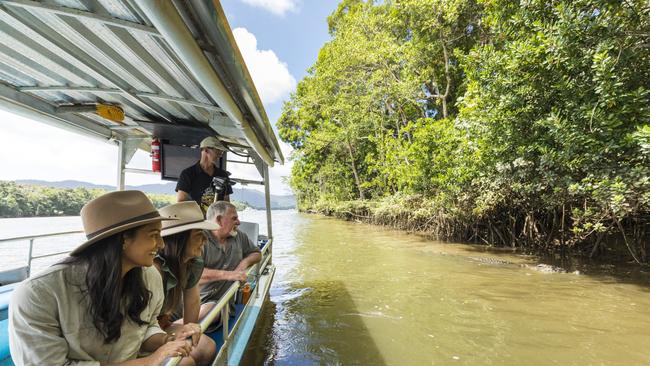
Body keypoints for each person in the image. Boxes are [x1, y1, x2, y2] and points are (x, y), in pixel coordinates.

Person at [9, 190, 197, 366]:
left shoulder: (149, 277)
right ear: (123, 239)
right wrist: (152, 360)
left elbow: (145, 327)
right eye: (154, 235)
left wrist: (168, 340)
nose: (162, 244)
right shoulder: (39, 295)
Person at [156, 201, 219, 365]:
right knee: (186, 361)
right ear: (179, 240)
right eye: (199, 234)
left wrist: (189, 331)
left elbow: (192, 301)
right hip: (143, 334)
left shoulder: (192, 263)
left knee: (207, 347)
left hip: (161, 325)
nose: (205, 240)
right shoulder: (154, 268)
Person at [198, 201, 261, 322]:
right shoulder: (199, 239)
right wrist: (230, 275)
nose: (239, 222)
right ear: (219, 219)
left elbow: (257, 254)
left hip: (222, 305)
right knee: (207, 309)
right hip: (196, 302)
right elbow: (191, 275)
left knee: (211, 309)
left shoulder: (239, 236)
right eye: (234, 218)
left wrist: (243, 264)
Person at [176, 136, 233, 213]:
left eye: (221, 152)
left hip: (215, 222)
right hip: (195, 221)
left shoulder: (223, 175)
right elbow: (180, 202)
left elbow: (226, 203)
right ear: (206, 150)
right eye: (217, 151)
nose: (220, 155)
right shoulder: (188, 174)